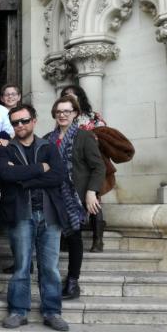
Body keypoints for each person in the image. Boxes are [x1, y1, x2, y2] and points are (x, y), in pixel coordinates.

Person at [0, 105, 70, 332]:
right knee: (21, 266)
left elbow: (58, 177)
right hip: (22, 213)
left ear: (34, 121)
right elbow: (7, 175)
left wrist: (25, 178)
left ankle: (52, 311)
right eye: (15, 122)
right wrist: (40, 168)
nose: (20, 126)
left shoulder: (48, 146)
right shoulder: (6, 149)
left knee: (50, 267)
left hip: (49, 214)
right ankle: (18, 310)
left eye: (24, 121)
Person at [45, 96, 105, 300]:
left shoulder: (84, 137)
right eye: (59, 111)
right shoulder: (47, 139)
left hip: (74, 197)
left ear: (75, 114)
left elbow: (98, 167)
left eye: (67, 111)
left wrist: (91, 192)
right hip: (52, 196)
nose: (62, 115)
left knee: (74, 238)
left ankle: (72, 282)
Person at [61, 84, 108, 251]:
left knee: (94, 201)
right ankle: (69, 238)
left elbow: (105, 136)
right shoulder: (64, 117)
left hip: (92, 164)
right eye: (67, 95)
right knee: (70, 201)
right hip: (72, 166)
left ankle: (98, 240)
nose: (71, 98)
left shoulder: (92, 117)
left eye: (74, 95)